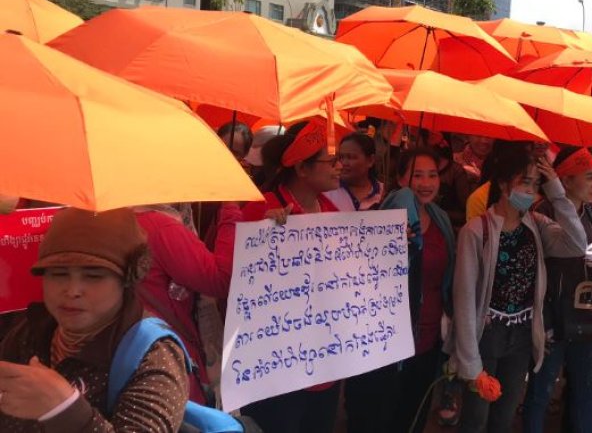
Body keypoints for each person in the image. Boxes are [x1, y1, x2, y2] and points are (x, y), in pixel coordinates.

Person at [0, 208, 189, 432]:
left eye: (93, 276)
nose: (72, 290)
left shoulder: (154, 355)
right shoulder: (29, 330)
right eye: (59, 273)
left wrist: (64, 409)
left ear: (126, 280)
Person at [446, 147, 587, 433]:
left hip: (521, 335)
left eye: (536, 184)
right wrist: (472, 366)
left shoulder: (536, 224)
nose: (531, 190)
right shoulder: (476, 231)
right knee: (476, 419)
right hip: (486, 336)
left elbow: (577, 244)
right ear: (503, 183)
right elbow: (464, 300)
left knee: (504, 416)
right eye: (525, 182)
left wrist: (556, 191)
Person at [239, 118, 343, 433]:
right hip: (276, 367)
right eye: (331, 161)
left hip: (325, 361)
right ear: (302, 169)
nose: (340, 167)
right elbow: (238, 284)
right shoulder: (262, 212)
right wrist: (263, 240)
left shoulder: (333, 214)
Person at [346, 148, 455, 433]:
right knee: (378, 417)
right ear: (400, 178)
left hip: (427, 338)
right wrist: (390, 244)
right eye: (417, 175)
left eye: (432, 175)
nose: (426, 183)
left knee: (413, 417)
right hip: (387, 342)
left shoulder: (441, 220)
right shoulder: (378, 218)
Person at [523, 146, 592, 433]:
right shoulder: (540, 212)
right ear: (565, 180)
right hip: (552, 317)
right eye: (588, 177)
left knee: (586, 393)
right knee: (540, 393)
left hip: (588, 317)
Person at [134, 205, 236, 404]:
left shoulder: (113, 224)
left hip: (140, 353)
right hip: (172, 361)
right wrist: (229, 209)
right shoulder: (162, 227)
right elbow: (221, 279)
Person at [325, 132, 384, 212]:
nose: (344, 163)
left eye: (351, 157)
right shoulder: (327, 193)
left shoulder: (384, 193)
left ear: (370, 160)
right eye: (341, 157)